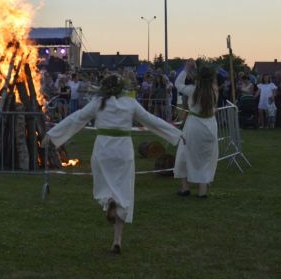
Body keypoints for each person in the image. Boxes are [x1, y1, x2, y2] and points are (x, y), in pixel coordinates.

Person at [43, 74, 183, 254]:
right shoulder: (130, 103)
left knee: (106, 186)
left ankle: (109, 201)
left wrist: (53, 134)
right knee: (123, 192)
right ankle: (117, 239)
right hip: (123, 151)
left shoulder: (97, 102)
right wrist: (177, 134)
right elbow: (151, 120)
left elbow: (76, 118)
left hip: (103, 150)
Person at [173, 61, 219, 198]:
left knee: (184, 154)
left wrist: (186, 69)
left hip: (194, 125)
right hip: (210, 125)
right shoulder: (215, 90)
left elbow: (178, 84)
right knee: (206, 156)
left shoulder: (192, 90)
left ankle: (185, 188)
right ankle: (202, 191)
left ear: (198, 78)